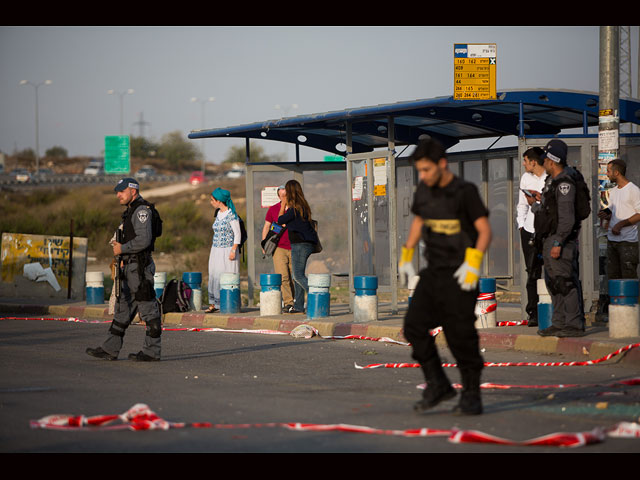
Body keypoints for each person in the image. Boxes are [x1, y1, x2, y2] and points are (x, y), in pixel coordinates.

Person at [400, 138, 491, 416]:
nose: (422, 176)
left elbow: (484, 230)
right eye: (419, 171)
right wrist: (406, 256)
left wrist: (473, 263)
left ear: (442, 164)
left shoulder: (465, 192)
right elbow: (418, 221)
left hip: (461, 273)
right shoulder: (424, 191)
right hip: (434, 272)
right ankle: (437, 384)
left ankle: (472, 394)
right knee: (414, 326)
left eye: (426, 170)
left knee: (459, 335)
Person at [86, 177, 162, 362]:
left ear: (133, 191)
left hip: (140, 268)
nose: (118, 195)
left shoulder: (142, 211)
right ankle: (110, 349)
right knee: (122, 309)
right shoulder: (130, 211)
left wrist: (122, 249)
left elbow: (143, 240)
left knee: (148, 309)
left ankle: (151, 352)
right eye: (117, 192)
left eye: (121, 191)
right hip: (129, 266)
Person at [532, 139, 586, 337]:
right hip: (549, 239)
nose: (543, 162)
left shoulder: (564, 183)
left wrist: (558, 242)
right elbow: (549, 212)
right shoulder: (552, 182)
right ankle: (559, 322)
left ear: (552, 161)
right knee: (553, 282)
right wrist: (535, 203)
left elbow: (567, 218)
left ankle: (573, 324)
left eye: (545, 159)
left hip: (560, 240)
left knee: (565, 282)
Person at [517, 147, 548, 327]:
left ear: (533, 162)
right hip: (529, 230)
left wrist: (538, 199)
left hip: (547, 230)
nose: (524, 164)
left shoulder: (549, 177)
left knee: (552, 270)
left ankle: (552, 310)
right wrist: (521, 225)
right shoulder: (525, 177)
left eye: (526, 161)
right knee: (532, 272)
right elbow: (522, 204)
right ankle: (533, 313)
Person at [277, 179, 319, 314]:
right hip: (304, 244)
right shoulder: (302, 206)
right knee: (298, 275)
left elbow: (280, 220)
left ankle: (317, 296)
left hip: (300, 245)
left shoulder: (294, 208)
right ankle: (299, 306)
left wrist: (283, 204)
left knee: (297, 276)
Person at [598, 159, 640, 282]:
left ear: (616, 173)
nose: (607, 174)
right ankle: (615, 301)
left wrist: (621, 224)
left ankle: (631, 301)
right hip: (612, 240)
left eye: (609, 171)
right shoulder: (614, 191)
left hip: (627, 242)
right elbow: (613, 210)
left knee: (629, 278)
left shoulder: (633, 190)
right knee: (613, 277)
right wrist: (605, 213)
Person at [206, 187, 241, 313]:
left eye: (212, 200)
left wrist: (233, 250)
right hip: (216, 249)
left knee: (225, 275)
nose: (211, 202)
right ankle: (214, 303)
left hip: (227, 250)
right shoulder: (218, 214)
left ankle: (226, 302)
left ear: (219, 201)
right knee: (214, 275)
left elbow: (238, 234)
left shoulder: (231, 215)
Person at [262, 185, 295, 312]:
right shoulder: (273, 209)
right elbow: (267, 226)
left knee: (295, 276)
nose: (284, 197)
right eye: (282, 195)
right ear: (278, 196)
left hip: (294, 247)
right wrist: (264, 243)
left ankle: (297, 300)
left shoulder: (295, 208)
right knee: (283, 276)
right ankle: (288, 303)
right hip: (279, 247)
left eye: (286, 195)